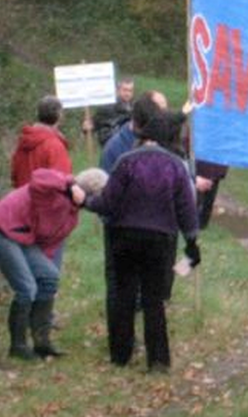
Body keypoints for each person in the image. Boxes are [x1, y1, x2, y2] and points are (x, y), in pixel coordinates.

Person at [84, 111, 200, 372]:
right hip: (159, 239)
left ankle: (120, 355)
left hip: (123, 236)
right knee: (153, 300)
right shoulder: (175, 165)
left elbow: (109, 202)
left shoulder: (126, 161)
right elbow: (186, 208)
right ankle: (158, 360)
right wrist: (191, 241)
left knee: (124, 295)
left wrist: (86, 202)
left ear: (143, 136)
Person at [0, 168, 104, 359]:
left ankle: (42, 343)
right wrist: (70, 184)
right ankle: (18, 346)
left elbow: (48, 244)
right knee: (26, 289)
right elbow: (38, 176)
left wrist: (43, 269)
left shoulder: (71, 217)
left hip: (23, 236)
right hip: (4, 227)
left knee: (49, 277)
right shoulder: (54, 190)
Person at [10, 95, 72, 189]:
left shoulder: (23, 141)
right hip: (47, 201)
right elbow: (62, 181)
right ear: (59, 115)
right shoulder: (54, 145)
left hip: (23, 199)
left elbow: (15, 175)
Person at [87, 77, 136, 147]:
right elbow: (93, 124)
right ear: (118, 90)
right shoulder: (106, 108)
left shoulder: (136, 107)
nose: (127, 93)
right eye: (125, 90)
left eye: (130, 91)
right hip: (112, 147)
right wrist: (87, 127)